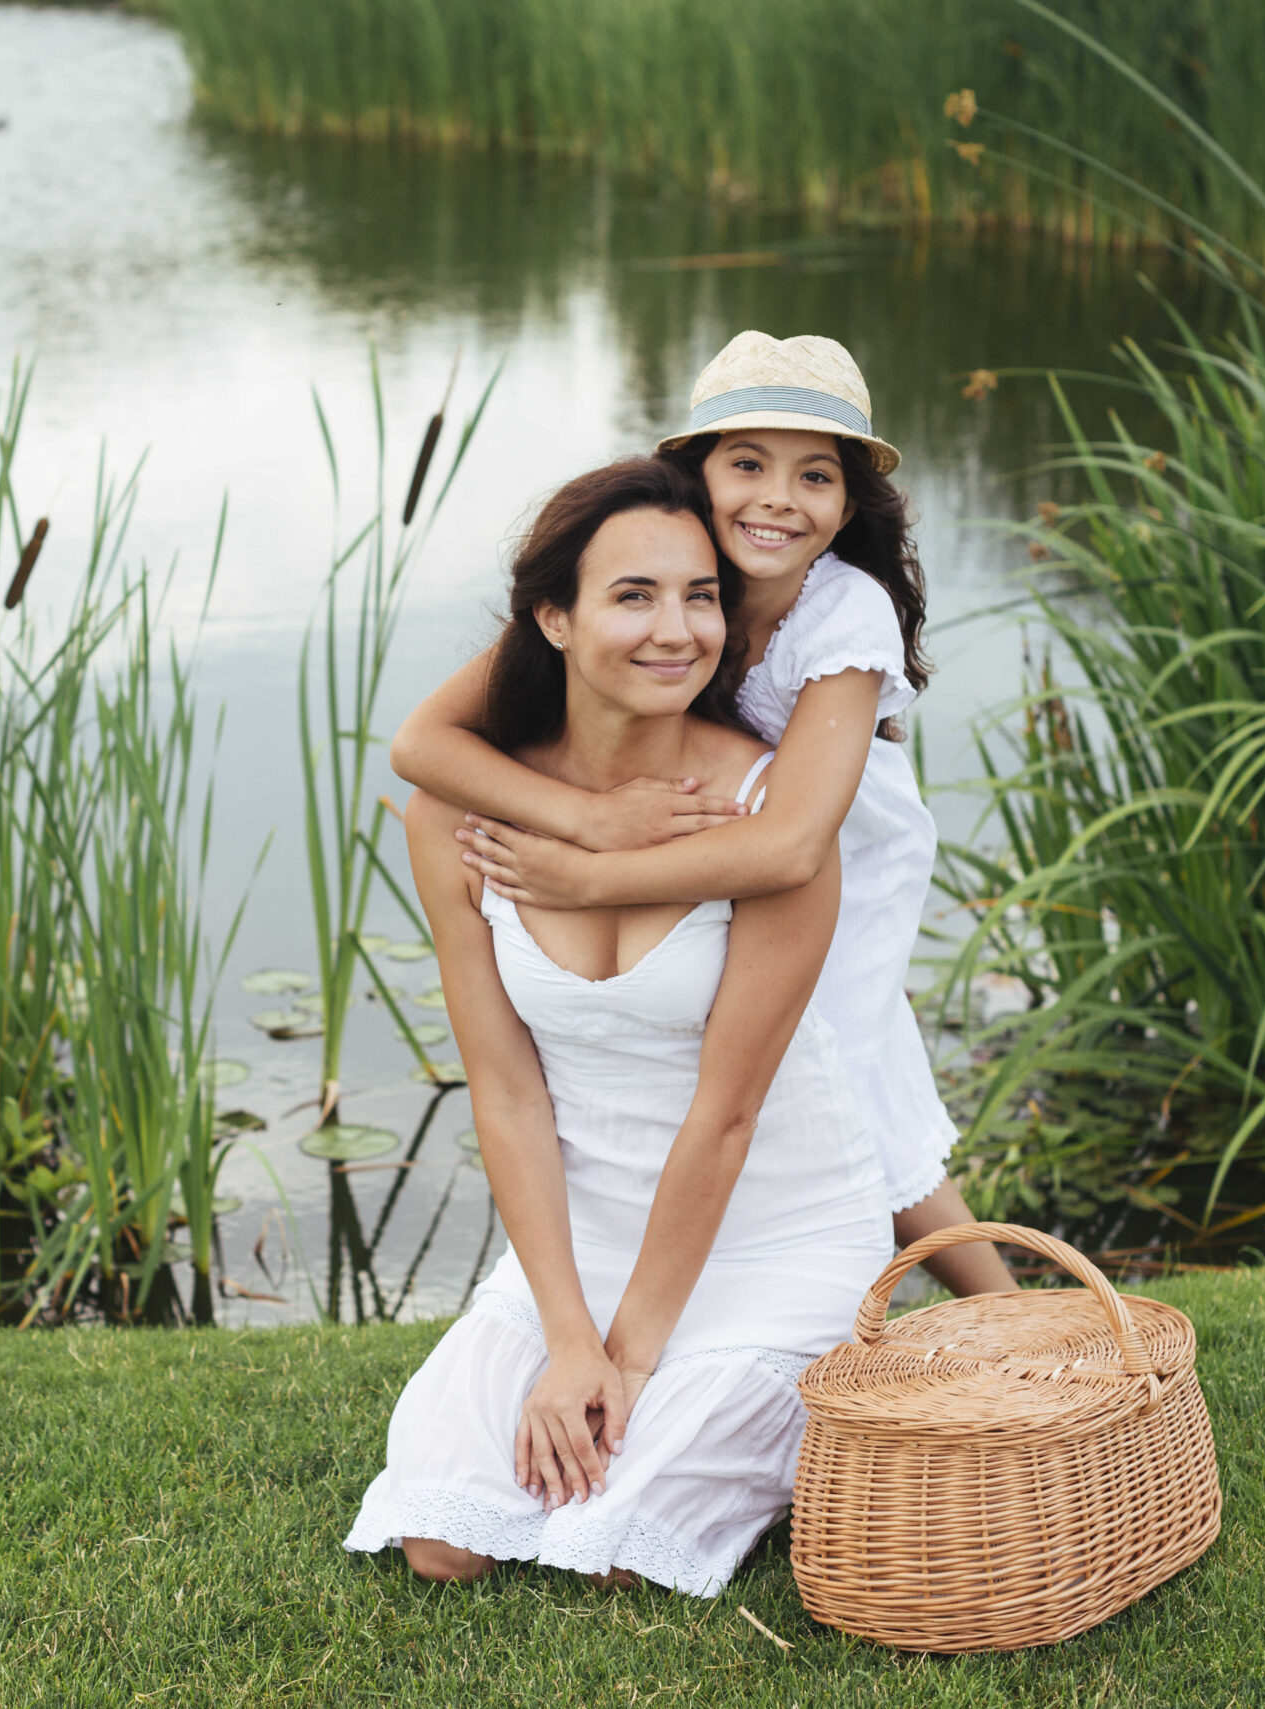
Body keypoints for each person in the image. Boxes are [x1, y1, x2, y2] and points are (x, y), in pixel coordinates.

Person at [342, 456, 892, 1596]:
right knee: (445, 1541)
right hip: (584, 1235)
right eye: (632, 596)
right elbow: (505, 1089)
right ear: (554, 615)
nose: (676, 629)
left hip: (769, 1234)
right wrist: (567, 1335)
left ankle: (775, 1407)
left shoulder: (765, 817)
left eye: (700, 596)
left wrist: (631, 1352)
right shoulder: (457, 813)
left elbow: (728, 1112)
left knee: (617, 1554)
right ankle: (593, 1370)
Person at [391, 331, 1016, 1299]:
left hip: (831, 852)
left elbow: (794, 841)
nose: (777, 498)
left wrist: (590, 873)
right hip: (719, 845)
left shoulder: (843, 609)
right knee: (764, 1083)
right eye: (747, 464)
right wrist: (585, 817)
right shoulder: (659, 573)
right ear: (695, 470)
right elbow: (420, 748)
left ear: (849, 502)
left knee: (846, 1088)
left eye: (815, 475)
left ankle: (994, 1311)